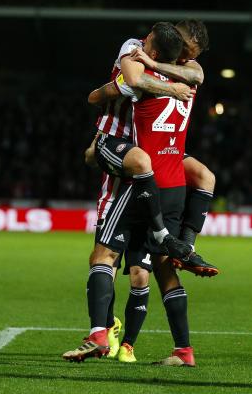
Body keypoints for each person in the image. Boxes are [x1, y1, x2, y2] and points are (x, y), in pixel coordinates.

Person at [63, 22, 195, 363]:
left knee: (130, 266)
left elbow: (190, 75)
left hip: (143, 170)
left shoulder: (178, 70)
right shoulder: (133, 49)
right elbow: (119, 86)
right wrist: (123, 88)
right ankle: (106, 328)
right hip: (126, 158)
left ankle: (114, 337)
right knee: (107, 256)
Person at [86, 19, 218, 277]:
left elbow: (198, 75)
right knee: (107, 250)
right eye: (185, 52)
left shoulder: (170, 62)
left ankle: (187, 250)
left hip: (156, 146)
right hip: (122, 140)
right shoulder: (135, 48)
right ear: (176, 41)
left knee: (205, 177)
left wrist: (157, 66)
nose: (185, 60)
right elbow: (131, 80)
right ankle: (105, 311)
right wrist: (171, 88)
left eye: (191, 56)